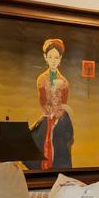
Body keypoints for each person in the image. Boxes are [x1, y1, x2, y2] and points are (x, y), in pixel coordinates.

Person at [31, 38, 74, 169]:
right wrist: (49, 113)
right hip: (47, 115)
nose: (53, 60)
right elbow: (42, 101)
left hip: (60, 117)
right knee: (36, 138)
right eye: (50, 57)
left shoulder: (65, 82)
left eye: (56, 57)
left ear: (60, 58)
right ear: (45, 58)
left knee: (61, 142)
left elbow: (64, 102)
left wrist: (58, 113)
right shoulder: (41, 79)